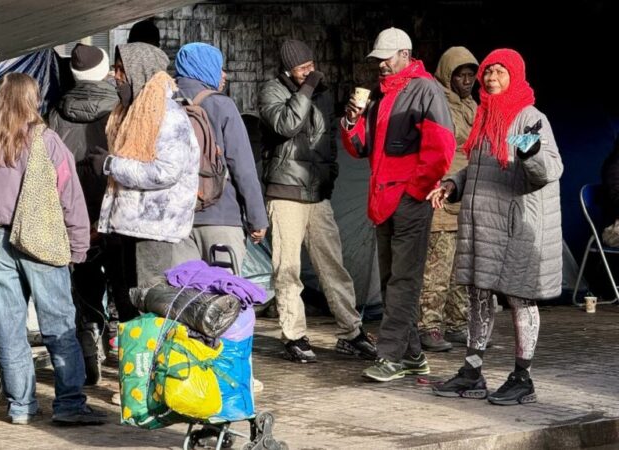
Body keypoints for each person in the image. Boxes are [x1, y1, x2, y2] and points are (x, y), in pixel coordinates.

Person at [0, 72, 104, 425]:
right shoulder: (48, 142)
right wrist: (78, 248)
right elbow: (71, 199)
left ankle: (20, 406)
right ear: (33, 100)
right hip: (43, 241)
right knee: (59, 325)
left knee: (7, 329)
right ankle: (69, 405)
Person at [430, 49, 562, 405]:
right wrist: (452, 185)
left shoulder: (529, 118)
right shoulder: (486, 116)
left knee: (520, 298)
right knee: (479, 295)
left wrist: (529, 152)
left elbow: (549, 170)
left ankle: (523, 378)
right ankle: (472, 373)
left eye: (499, 72)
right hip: (482, 224)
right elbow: (478, 167)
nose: (490, 79)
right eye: (488, 72)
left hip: (516, 224)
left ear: (515, 77)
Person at [341, 27, 455, 381]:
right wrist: (350, 121)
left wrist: (415, 192)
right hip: (384, 201)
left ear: (405, 54)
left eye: (386, 58)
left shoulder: (425, 90)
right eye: (377, 59)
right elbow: (361, 148)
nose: (381, 65)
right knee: (393, 280)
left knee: (403, 281)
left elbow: (441, 149)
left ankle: (389, 356)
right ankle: (412, 356)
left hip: (406, 200)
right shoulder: (380, 96)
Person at [258, 39, 377, 363]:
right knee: (288, 269)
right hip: (285, 192)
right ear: (287, 70)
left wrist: (331, 174)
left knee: (333, 266)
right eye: (302, 69)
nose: (309, 72)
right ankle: (294, 335)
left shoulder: (322, 94)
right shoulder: (272, 91)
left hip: (317, 194)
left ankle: (352, 332)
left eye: (311, 66)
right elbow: (286, 124)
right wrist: (307, 88)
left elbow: (327, 140)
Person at [47, 44, 130, 378]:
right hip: (115, 205)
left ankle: (89, 340)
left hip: (73, 208)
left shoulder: (56, 111)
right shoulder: (120, 108)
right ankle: (121, 347)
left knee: (83, 278)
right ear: (105, 70)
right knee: (122, 281)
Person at [97, 42, 200, 287]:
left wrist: (111, 165)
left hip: (154, 230)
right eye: (115, 69)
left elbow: (165, 172)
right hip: (130, 226)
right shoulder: (131, 111)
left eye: (122, 70)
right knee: (131, 308)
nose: (116, 77)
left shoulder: (167, 115)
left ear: (139, 72)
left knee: (150, 303)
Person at [170, 42, 268, 268]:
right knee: (224, 297)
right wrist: (257, 219)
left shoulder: (162, 103)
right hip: (220, 217)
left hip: (174, 222)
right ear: (204, 67)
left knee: (184, 297)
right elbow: (243, 167)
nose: (224, 75)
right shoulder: (221, 105)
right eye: (219, 67)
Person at [418, 47, 479, 352]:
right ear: (447, 75)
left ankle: (457, 323)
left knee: (461, 270)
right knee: (437, 269)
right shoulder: (436, 103)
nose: (467, 81)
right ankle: (428, 326)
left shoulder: (474, 107)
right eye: (461, 75)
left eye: (471, 75)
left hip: (467, 198)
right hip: (442, 196)